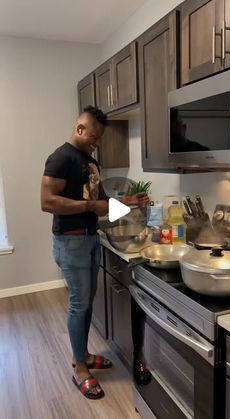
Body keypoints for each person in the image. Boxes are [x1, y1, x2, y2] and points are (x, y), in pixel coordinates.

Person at [41, 105, 150, 400]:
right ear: (80, 129)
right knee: (79, 304)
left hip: (90, 239)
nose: (97, 143)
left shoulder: (90, 163)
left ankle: (85, 355)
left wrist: (130, 200)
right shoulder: (61, 158)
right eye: (94, 137)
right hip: (70, 241)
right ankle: (79, 369)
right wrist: (90, 207)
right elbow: (48, 202)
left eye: (99, 138)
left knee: (87, 302)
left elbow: (102, 201)